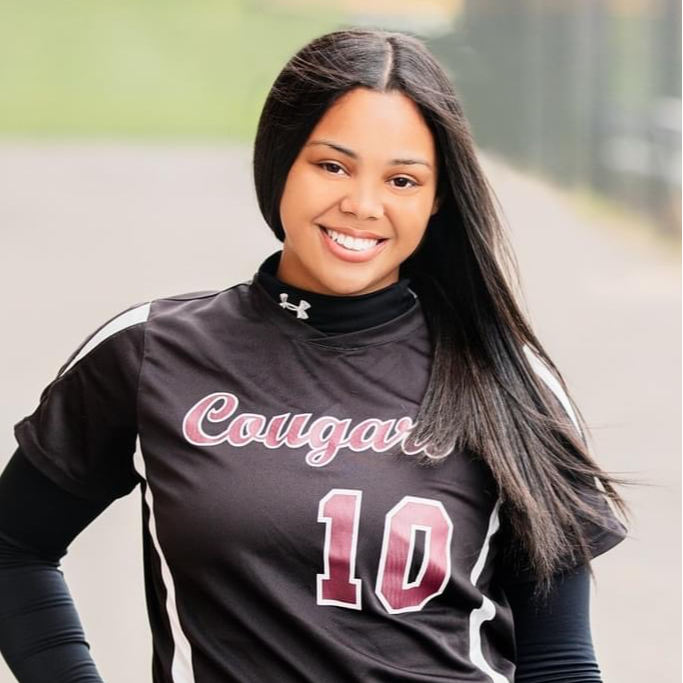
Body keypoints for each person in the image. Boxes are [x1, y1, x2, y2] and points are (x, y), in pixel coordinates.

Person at [0, 27, 630, 683]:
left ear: (436, 198)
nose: (361, 204)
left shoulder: (507, 378)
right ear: (279, 161)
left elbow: (558, 659)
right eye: (332, 165)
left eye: (402, 179)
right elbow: (14, 547)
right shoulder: (149, 353)